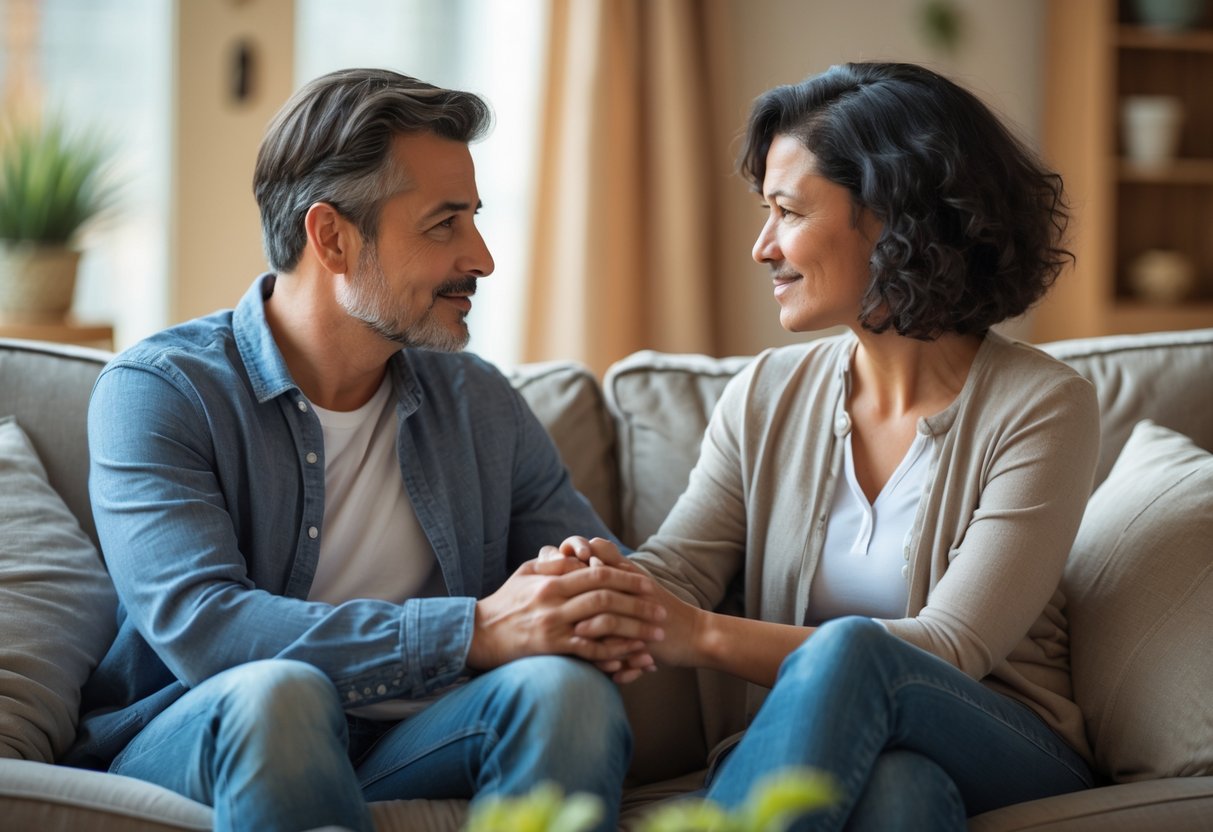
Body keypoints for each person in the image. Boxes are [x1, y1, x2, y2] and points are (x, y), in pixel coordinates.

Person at [64, 68, 667, 832]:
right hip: (203, 729)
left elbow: (591, 577)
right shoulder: (160, 391)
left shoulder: (477, 402)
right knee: (279, 693)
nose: (481, 257)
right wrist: (473, 630)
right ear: (332, 237)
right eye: (444, 224)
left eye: (475, 218)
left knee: (564, 693)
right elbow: (205, 627)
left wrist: (591, 603)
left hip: (410, 739)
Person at [552, 62, 1101, 830]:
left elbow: (945, 647)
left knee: (849, 651)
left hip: (1004, 741)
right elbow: (679, 568)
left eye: (786, 211)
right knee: (898, 794)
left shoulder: (1043, 406)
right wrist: (604, 581)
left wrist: (702, 634)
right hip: (842, 748)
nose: (761, 247)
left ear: (889, 217)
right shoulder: (766, 392)